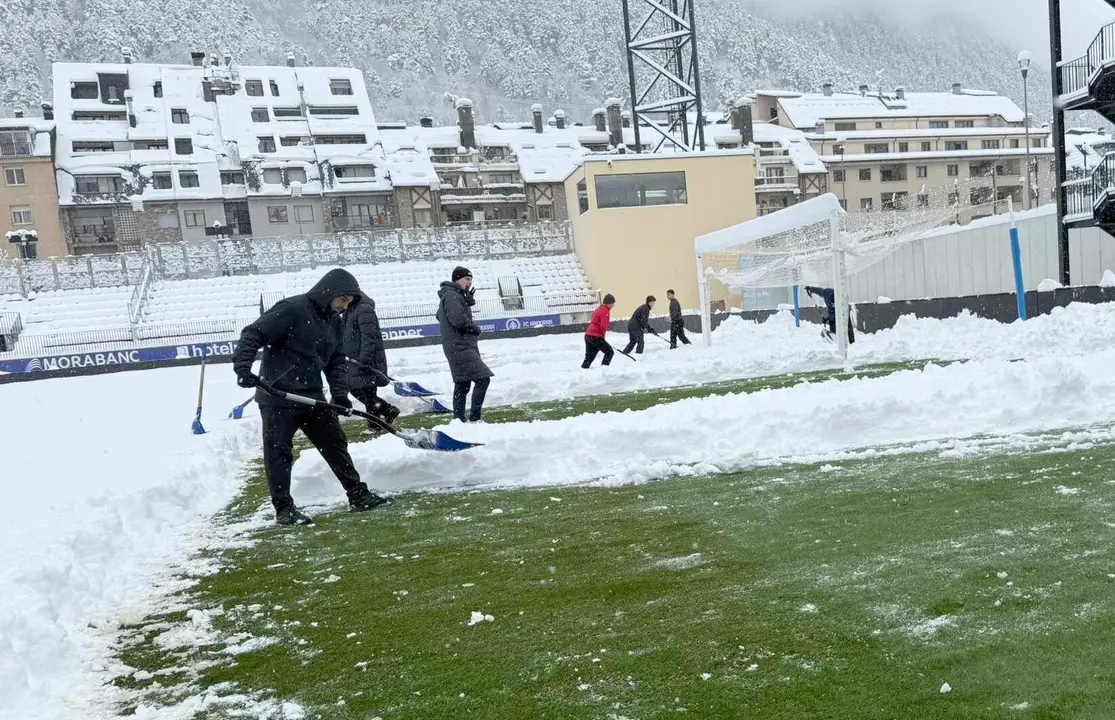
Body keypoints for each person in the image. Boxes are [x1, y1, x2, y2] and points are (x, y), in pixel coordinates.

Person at [233, 268, 390, 526]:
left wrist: (340, 393)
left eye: (349, 303)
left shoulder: (334, 321)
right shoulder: (292, 309)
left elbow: (336, 361)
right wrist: (242, 367)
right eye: (342, 300)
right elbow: (253, 334)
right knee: (279, 453)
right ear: (330, 292)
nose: (344, 306)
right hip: (277, 397)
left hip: (311, 396)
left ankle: (357, 494)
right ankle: (284, 510)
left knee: (335, 443)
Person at [436, 266, 494, 422]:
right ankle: (475, 419)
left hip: (457, 346)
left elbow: (439, 315)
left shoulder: (452, 295)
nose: (469, 282)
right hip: (460, 346)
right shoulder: (451, 295)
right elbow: (458, 320)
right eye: (467, 279)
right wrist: (474, 328)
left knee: (462, 384)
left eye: (471, 280)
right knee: (483, 379)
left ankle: (459, 421)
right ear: (457, 279)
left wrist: (466, 301)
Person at [342, 293, 400, 436]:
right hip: (354, 360)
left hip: (367, 361)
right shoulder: (349, 310)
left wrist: (365, 358)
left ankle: (374, 426)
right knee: (355, 389)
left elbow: (369, 336)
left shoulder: (363, 309)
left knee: (368, 393)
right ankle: (387, 410)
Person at [582, 293, 616, 368]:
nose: (613, 305)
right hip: (595, 336)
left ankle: (583, 371)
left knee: (589, 357)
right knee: (609, 352)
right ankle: (604, 370)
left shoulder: (598, 309)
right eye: (613, 303)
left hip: (588, 335)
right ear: (608, 303)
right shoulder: (605, 311)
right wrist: (602, 337)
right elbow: (603, 326)